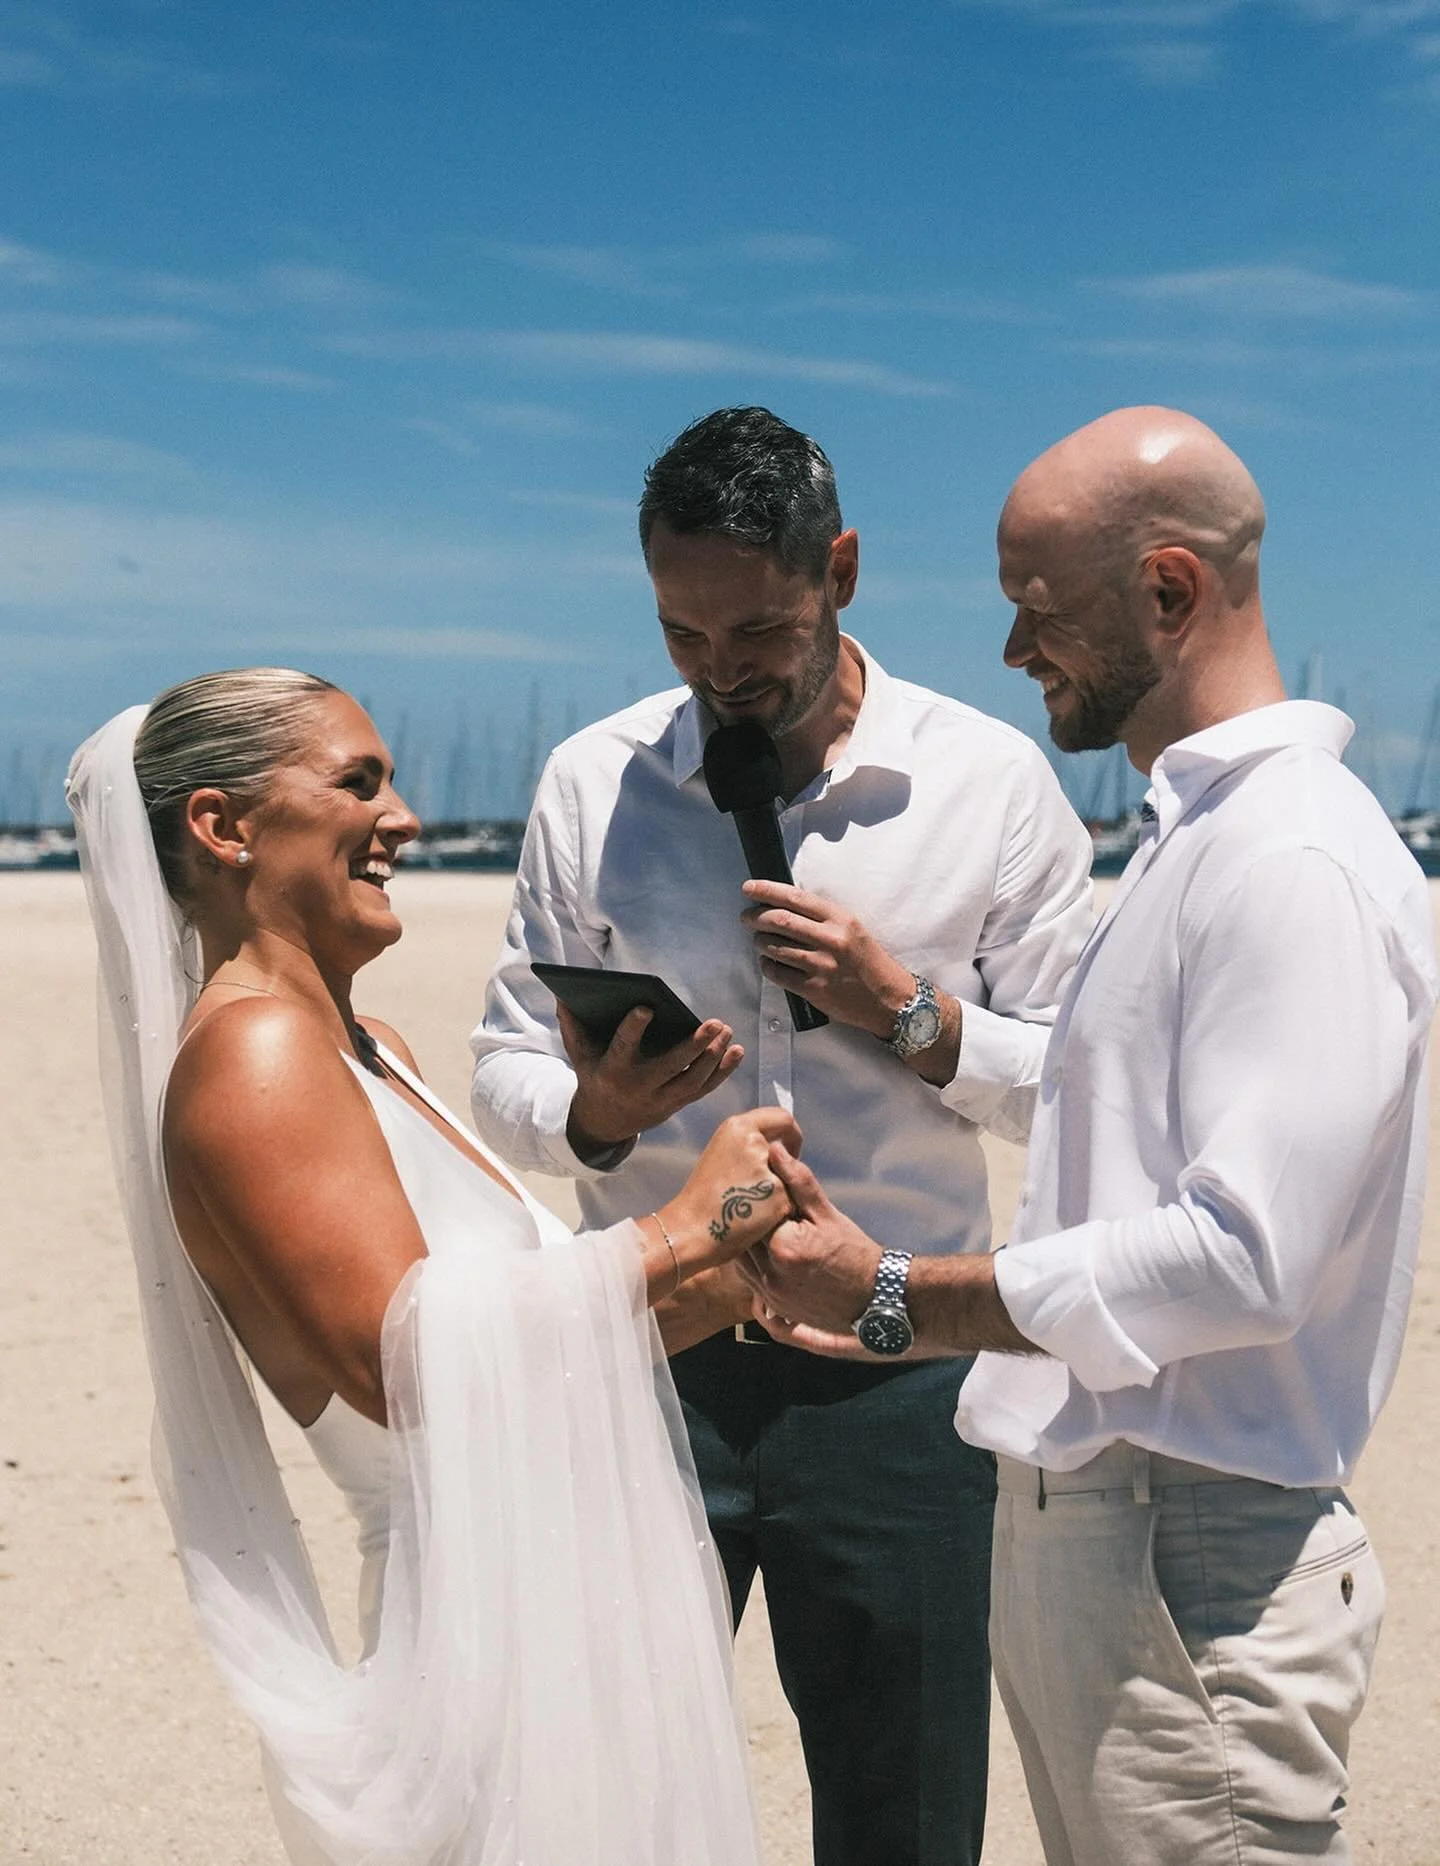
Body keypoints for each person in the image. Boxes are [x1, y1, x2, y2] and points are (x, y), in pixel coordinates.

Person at [741, 407, 1439, 1865]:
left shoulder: (1291, 853)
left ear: (1169, 590)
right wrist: (915, 1016)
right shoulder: (1203, 832)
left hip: (1190, 1555)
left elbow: (1244, 1256)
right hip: (1126, 1540)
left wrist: (894, 1295)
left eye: (1038, 607)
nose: (1012, 649)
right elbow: (1103, 1096)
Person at [469, 405, 1096, 1866]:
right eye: (681, 632)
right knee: (604, 1810)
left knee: (905, 1817)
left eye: (756, 628)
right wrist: (594, 1113)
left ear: (842, 571)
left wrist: (911, 1014)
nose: (718, 668)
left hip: (899, 1373)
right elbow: (502, 1065)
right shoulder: (593, 782)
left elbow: (1081, 1088)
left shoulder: (988, 781)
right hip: (646, 1368)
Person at [66, 666, 804, 1866]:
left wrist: (727, 1283)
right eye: (358, 783)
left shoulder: (372, 1050)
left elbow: (520, 1342)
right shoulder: (255, 1053)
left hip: (547, 1622)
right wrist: (681, 1227)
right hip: (472, 1646)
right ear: (222, 825)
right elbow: (396, 1359)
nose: (402, 819)